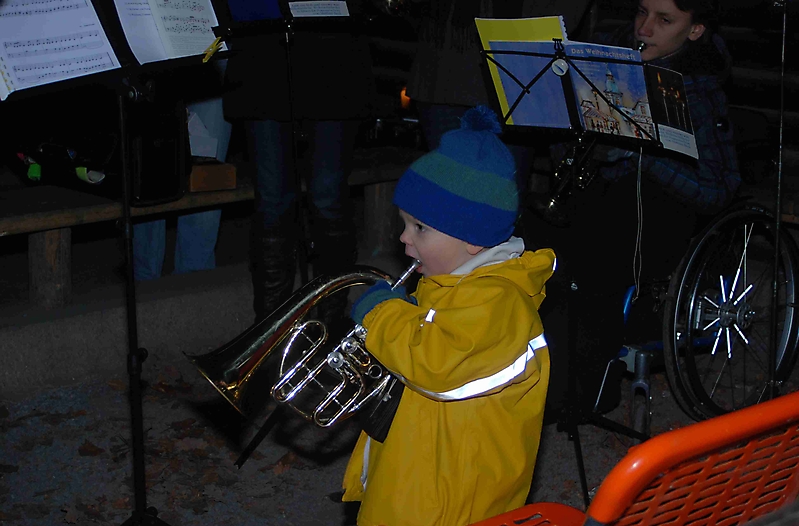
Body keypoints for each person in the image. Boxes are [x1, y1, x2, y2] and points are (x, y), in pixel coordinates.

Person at [340, 106, 556, 526]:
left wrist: (383, 316)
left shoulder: (498, 301)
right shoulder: (450, 284)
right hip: (421, 471)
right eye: (404, 224)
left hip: (454, 500)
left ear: (474, 240)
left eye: (420, 228)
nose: (403, 237)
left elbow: (438, 366)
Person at [528, 0, 741, 414]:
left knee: (585, 263)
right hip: (604, 203)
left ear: (695, 30)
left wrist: (643, 155)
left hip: (660, 221)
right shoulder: (610, 62)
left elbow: (718, 190)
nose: (644, 28)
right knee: (527, 242)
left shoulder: (698, 88)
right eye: (642, 12)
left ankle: (576, 391)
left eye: (664, 20)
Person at [223, 0, 374, 321]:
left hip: (334, 56)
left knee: (327, 195)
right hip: (263, 57)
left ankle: (331, 323)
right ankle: (268, 332)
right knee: (273, 200)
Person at [405, 0, 593, 196]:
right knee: (444, 198)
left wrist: (536, 31)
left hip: (515, 67)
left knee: (501, 201)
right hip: (444, 67)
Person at [133, 61, 232, 281]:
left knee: (207, 181)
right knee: (148, 180)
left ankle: (194, 286)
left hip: (210, 50)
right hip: (152, 56)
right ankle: (144, 285)